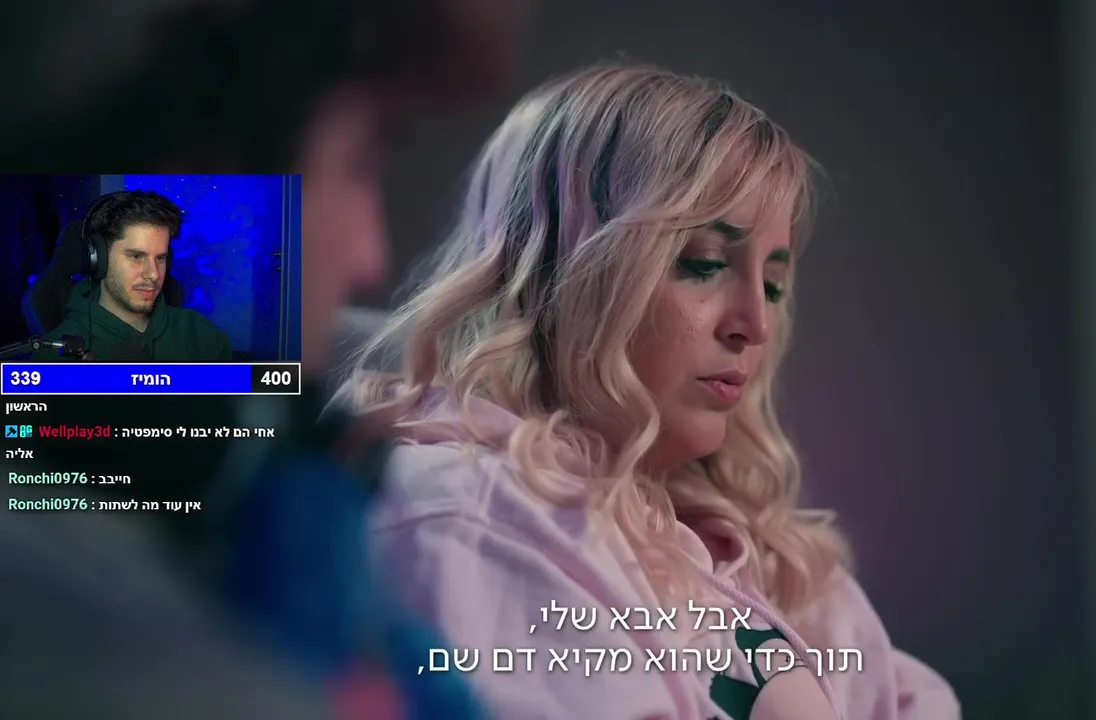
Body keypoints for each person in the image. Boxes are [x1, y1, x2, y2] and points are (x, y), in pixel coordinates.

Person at [341, 64, 960, 719]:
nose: (754, 323)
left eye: (773, 284)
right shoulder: (474, 516)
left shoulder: (767, 555)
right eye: (705, 264)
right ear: (568, 271)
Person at [0, 0, 530, 718]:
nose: (372, 256)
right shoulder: (108, 652)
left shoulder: (275, 497)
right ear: (194, 171)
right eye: (363, 160)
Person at [32, 189, 234, 362]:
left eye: (160, 258)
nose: (153, 274)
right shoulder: (55, 356)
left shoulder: (202, 336)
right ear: (98, 259)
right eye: (136, 256)